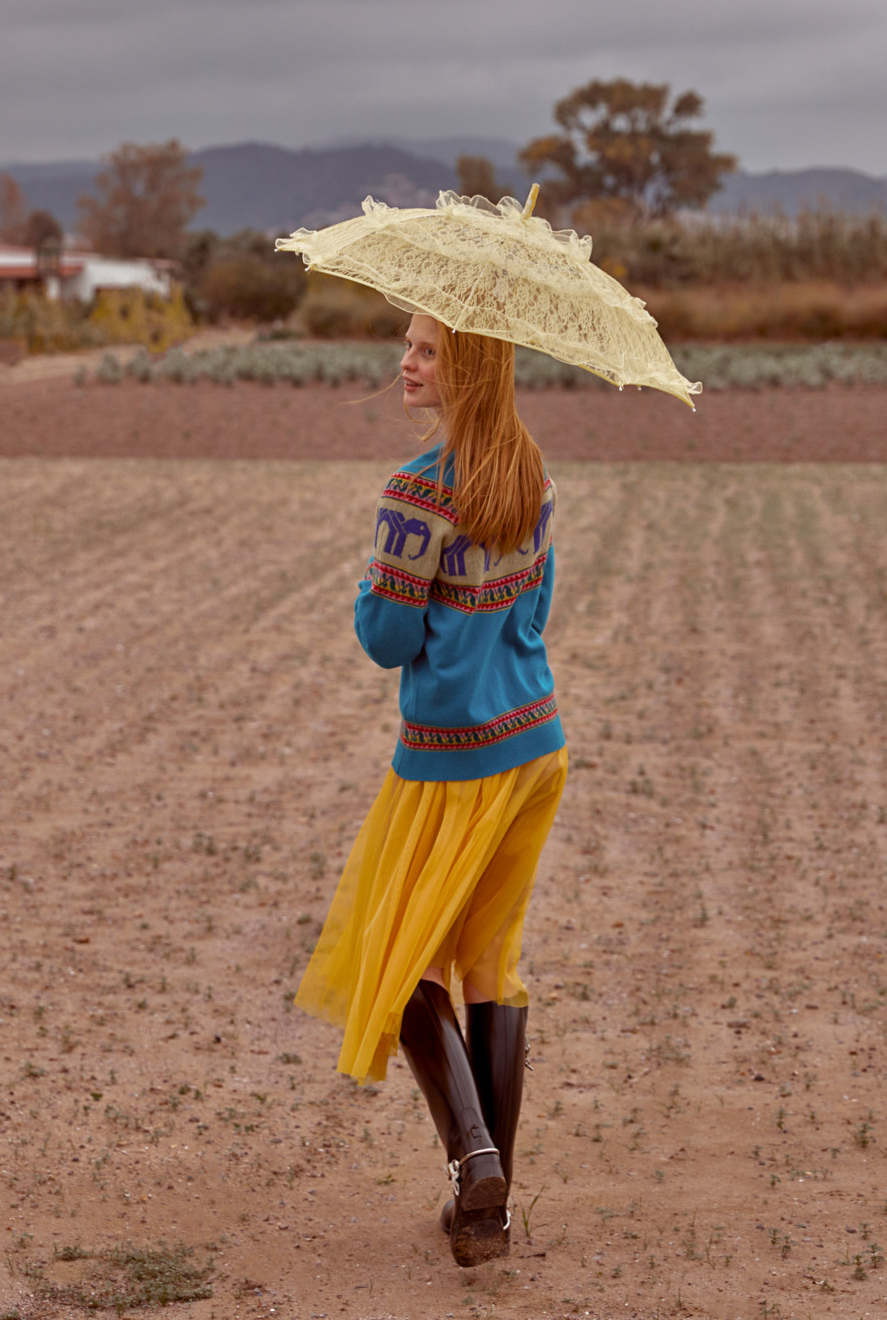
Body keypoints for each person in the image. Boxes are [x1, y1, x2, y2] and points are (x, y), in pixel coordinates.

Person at [295, 312, 568, 1267]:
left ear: (471, 366)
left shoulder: (416, 492)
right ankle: (485, 1210)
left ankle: (474, 1156)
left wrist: (374, 584)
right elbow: (536, 610)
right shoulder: (531, 473)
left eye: (426, 350)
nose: (405, 362)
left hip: (453, 759)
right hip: (536, 745)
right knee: (488, 960)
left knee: (396, 950)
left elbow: (387, 640)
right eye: (408, 345)